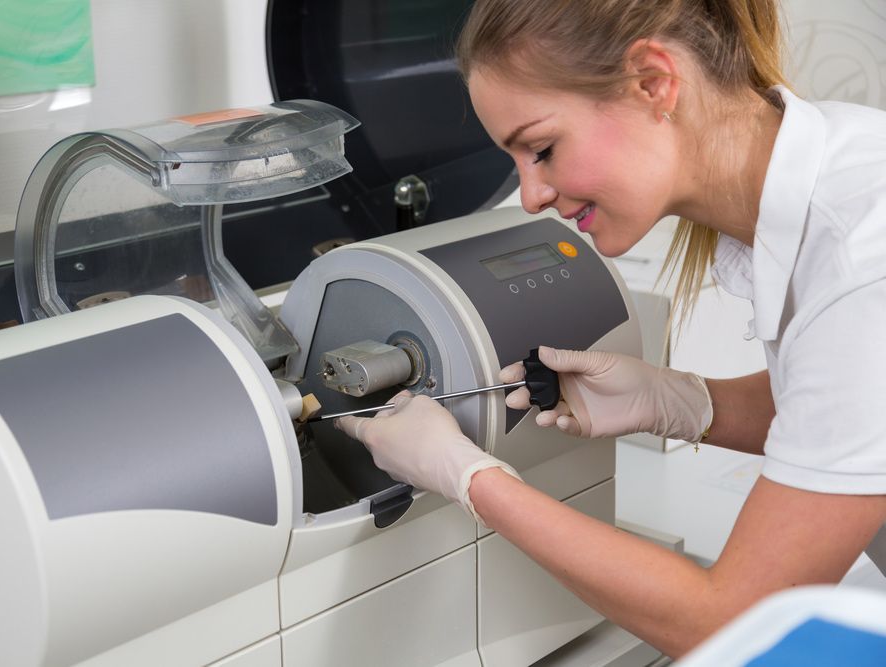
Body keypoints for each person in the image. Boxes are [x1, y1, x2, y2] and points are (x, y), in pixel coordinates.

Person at [335, 0, 886, 658]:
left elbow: (730, 620)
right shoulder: (845, 163)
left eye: (541, 149)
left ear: (655, 82)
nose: (532, 194)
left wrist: (469, 475)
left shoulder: (864, 256)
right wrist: (681, 401)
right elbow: (846, 411)